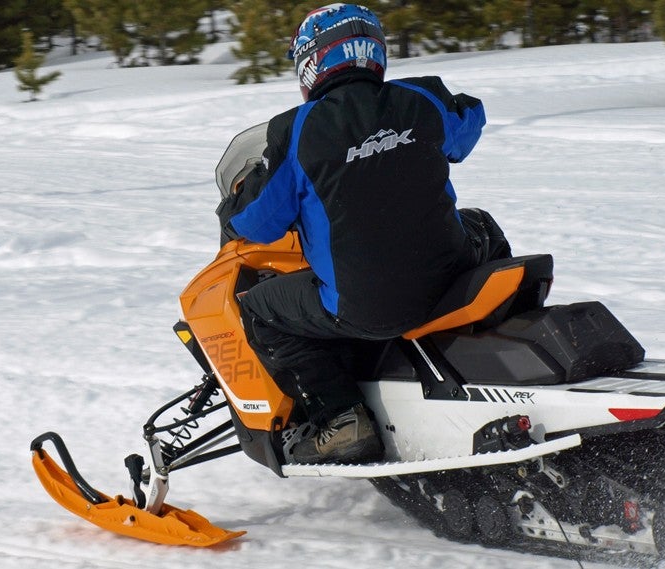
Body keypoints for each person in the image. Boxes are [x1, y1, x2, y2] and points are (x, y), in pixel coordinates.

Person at [216, 3, 509, 465]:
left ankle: (342, 419)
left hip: (367, 308)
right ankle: (495, 335)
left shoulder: (297, 131)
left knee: (258, 309)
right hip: (453, 280)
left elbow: (256, 222)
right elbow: (468, 122)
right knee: (481, 223)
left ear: (314, 63)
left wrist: (233, 202)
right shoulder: (423, 98)